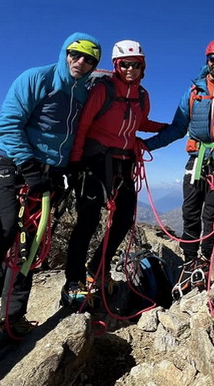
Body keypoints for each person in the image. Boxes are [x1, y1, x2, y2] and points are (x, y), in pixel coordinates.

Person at [0, 34, 101, 361]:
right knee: (1, 235)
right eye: (76, 55)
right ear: (65, 53)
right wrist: (31, 169)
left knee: (31, 244)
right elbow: (7, 125)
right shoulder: (37, 78)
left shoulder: (83, 91)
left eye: (89, 59)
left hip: (46, 174)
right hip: (11, 164)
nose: (81, 62)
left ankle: (13, 316)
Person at [61, 40, 167, 309]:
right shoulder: (103, 89)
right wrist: (75, 162)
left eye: (136, 64)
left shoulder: (143, 95)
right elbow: (84, 125)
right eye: (125, 64)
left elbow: (139, 123)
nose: (130, 69)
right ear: (116, 65)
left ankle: (97, 268)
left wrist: (168, 127)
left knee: (123, 219)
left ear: (143, 67)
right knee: (88, 220)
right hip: (95, 161)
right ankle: (73, 281)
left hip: (125, 163)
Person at [144, 39, 214, 295]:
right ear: (207, 60)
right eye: (213, 59)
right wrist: (147, 146)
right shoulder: (194, 92)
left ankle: (206, 258)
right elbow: (178, 128)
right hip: (197, 159)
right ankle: (191, 260)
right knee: (190, 210)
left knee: (211, 214)